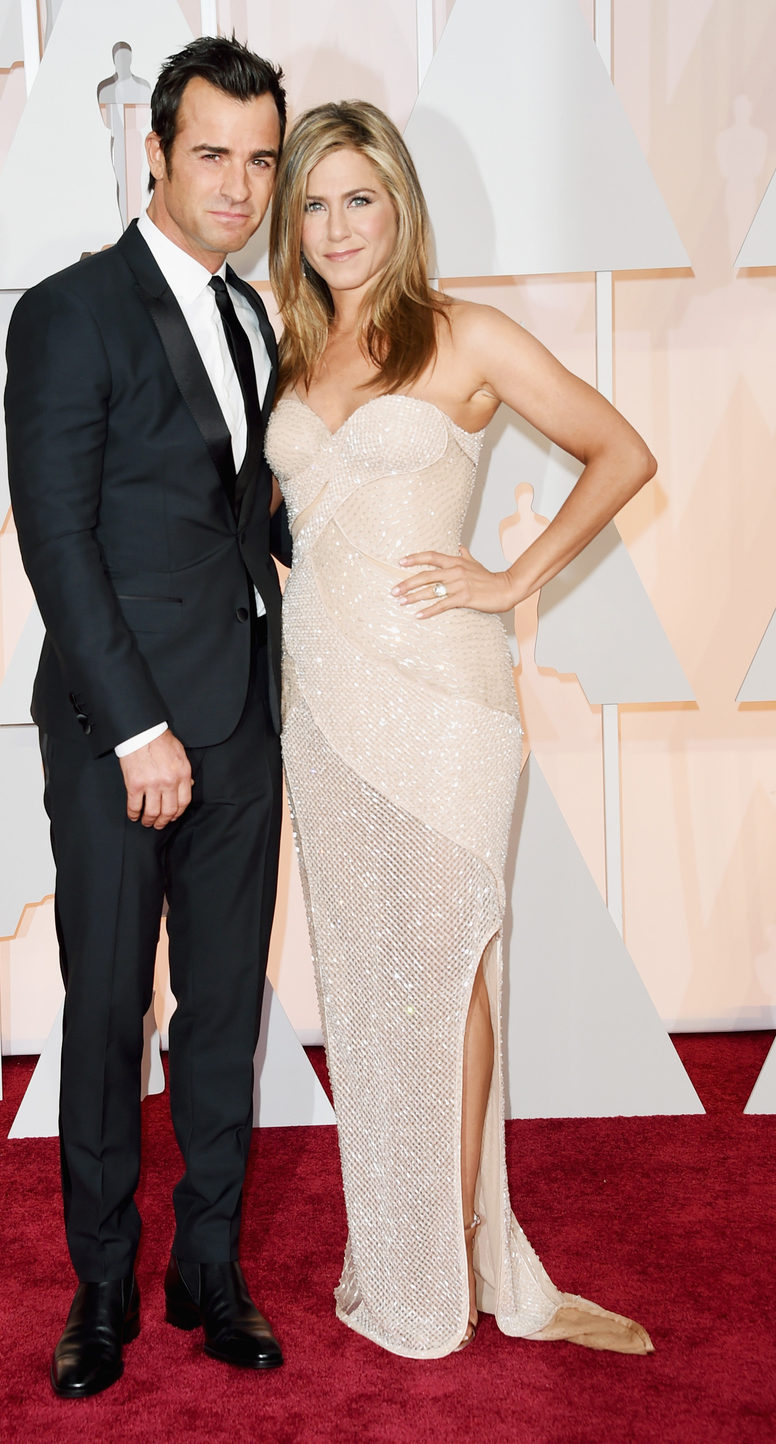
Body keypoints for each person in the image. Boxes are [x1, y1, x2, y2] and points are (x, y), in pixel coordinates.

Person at [266, 100, 657, 1359]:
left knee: (449, 969)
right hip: (323, 708)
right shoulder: (288, 348)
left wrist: (511, 577)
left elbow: (620, 450)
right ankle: (405, 1246)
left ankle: (442, 1257)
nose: (335, 225)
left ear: (400, 204)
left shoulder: (467, 334)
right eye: (313, 203)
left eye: (357, 198)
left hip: (444, 704)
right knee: (369, 983)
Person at [5, 37, 289, 1398]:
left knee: (223, 1017)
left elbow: (250, 516)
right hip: (118, 736)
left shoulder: (253, 318)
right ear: (158, 155)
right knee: (111, 1010)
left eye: (261, 162)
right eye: (215, 157)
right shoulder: (73, 313)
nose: (239, 188)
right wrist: (134, 731)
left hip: (241, 723)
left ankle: (209, 1271)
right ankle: (103, 1290)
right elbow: (58, 540)